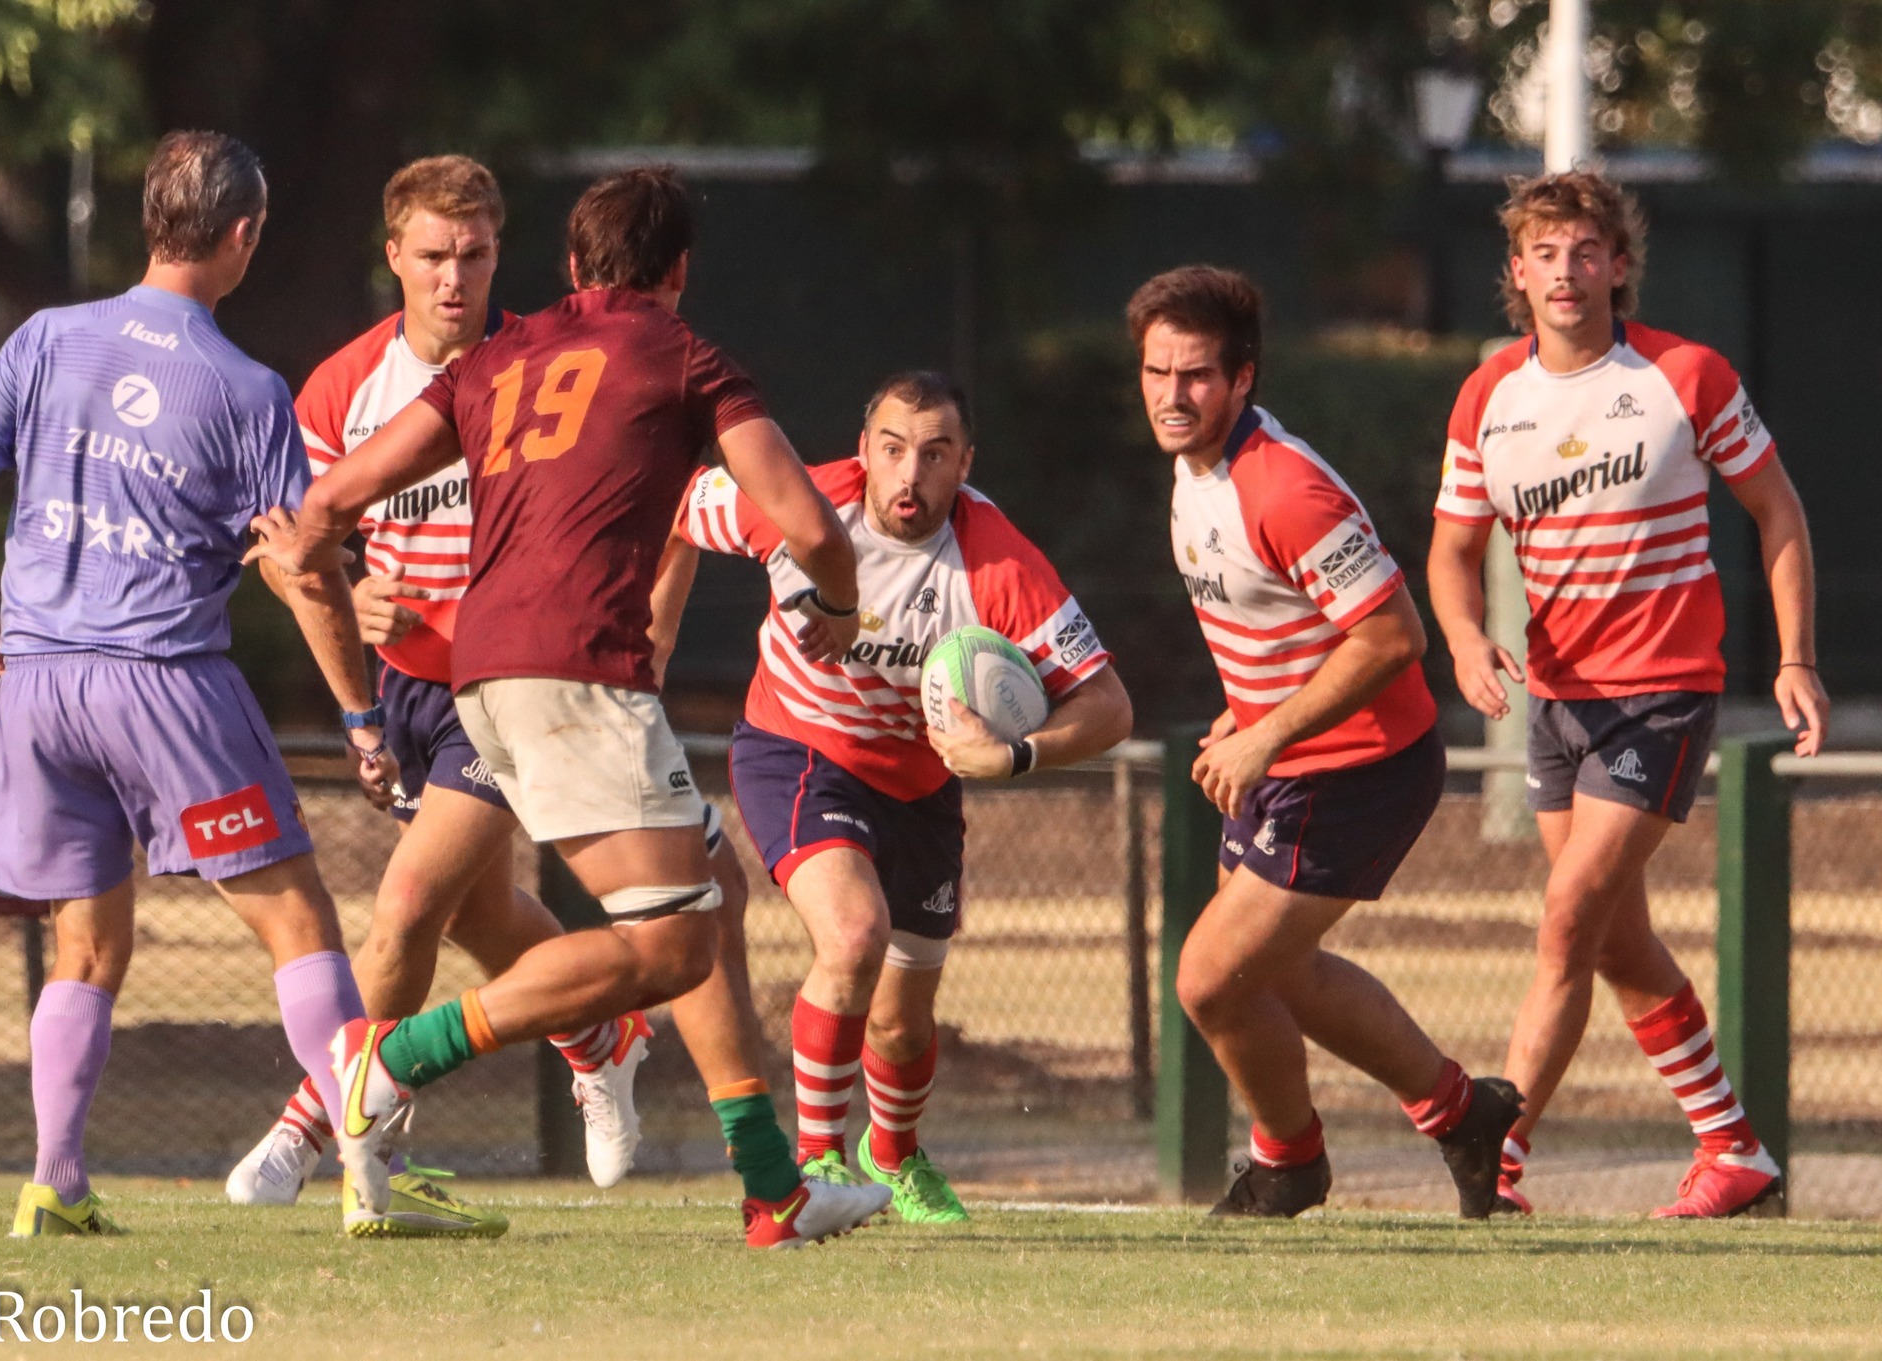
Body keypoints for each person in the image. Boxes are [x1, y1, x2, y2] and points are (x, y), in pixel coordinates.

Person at [246, 165, 893, 1247]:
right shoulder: (687, 356)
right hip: (576, 670)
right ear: (679, 271)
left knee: (706, 898)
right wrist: (834, 607)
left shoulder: (498, 354)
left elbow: (328, 500)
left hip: (480, 675)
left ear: (571, 266)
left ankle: (772, 1189)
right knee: (673, 943)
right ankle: (391, 1058)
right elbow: (814, 526)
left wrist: (320, 570)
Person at [0, 130, 390, 1238]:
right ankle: (373, 1178)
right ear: (241, 235)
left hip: (39, 688)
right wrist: (363, 717)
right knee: (300, 928)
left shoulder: (46, 339)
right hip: (166, 684)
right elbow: (303, 569)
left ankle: (54, 1176)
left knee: (86, 946)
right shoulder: (243, 387)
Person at [224, 155, 661, 1231]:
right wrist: (352, 648)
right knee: (476, 908)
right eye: (432, 257)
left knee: (409, 905)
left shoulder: (536, 369)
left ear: (498, 254)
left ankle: (312, 1120)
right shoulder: (342, 386)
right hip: (407, 691)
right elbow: (293, 552)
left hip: (508, 685)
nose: (453, 278)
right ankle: (602, 1035)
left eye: (473, 256)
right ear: (395, 259)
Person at [1427, 171, 1828, 1219]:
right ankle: (1730, 1146)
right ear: (1516, 274)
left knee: (1564, 920)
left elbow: (1776, 513)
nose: (1565, 270)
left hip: (1660, 692)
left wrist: (1794, 659)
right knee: (1608, 937)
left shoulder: (1683, 375)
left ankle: (1495, 1154)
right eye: (1544, 253)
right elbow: (1450, 549)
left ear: (1617, 265)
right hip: (1554, 702)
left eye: (1584, 250)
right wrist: (1465, 635)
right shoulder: (1487, 398)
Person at [661, 371, 1134, 1223]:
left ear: (965, 464)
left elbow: (1108, 705)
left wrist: (1015, 755)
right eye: (892, 449)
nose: (909, 473)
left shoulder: (997, 561)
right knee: (852, 935)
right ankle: (814, 1163)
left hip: (921, 784)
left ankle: (896, 1151)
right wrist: (649, 638)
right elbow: (665, 499)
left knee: (902, 1026)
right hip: (798, 747)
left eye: (935, 454)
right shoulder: (800, 504)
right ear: (863, 451)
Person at [1132, 264, 1523, 1219]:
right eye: (1155, 373)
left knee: (1212, 980)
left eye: (1195, 377)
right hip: (1292, 756)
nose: (1172, 397)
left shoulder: (1286, 485)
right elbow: (1276, 615)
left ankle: (1290, 1161)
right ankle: (1461, 1111)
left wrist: (1265, 730)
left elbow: (1394, 636)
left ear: (1243, 378)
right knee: (1280, 975)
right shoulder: (1194, 474)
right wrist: (1252, 706)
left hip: (1360, 767)